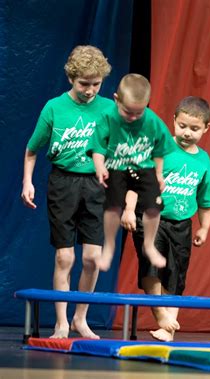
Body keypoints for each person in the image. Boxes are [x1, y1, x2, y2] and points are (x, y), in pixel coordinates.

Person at [21, 45, 113, 339]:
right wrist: (27, 182)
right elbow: (32, 150)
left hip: (97, 186)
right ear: (71, 79)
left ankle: (80, 318)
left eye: (96, 84)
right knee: (65, 258)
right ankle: (61, 322)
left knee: (91, 258)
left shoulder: (109, 109)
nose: (90, 90)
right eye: (84, 84)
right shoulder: (54, 107)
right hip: (63, 183)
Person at [121, 96, 210, 341]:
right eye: (182, 126)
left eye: (194, 129)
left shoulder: (203, 161)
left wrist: (204, 228)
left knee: (176, 275)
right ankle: (162, 316)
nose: (187, 133)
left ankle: (168, 329)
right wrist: (130, 209)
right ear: (173, 121)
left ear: (206, 128)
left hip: (182, 224)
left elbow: (206, 199)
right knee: (151, 267)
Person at [91, 73, 175, 272]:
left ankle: (149, 244)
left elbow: (159, 150)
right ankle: (109, 246)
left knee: (154, 205)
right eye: (128, 112)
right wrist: (100, 166)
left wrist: (159, 174)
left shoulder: (152, 121)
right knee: (113, 207)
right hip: (117, 166)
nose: (133, 117)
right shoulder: (108, 117)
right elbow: (97, 146)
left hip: (143, 167)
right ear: (116, 99)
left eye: (139, 113)